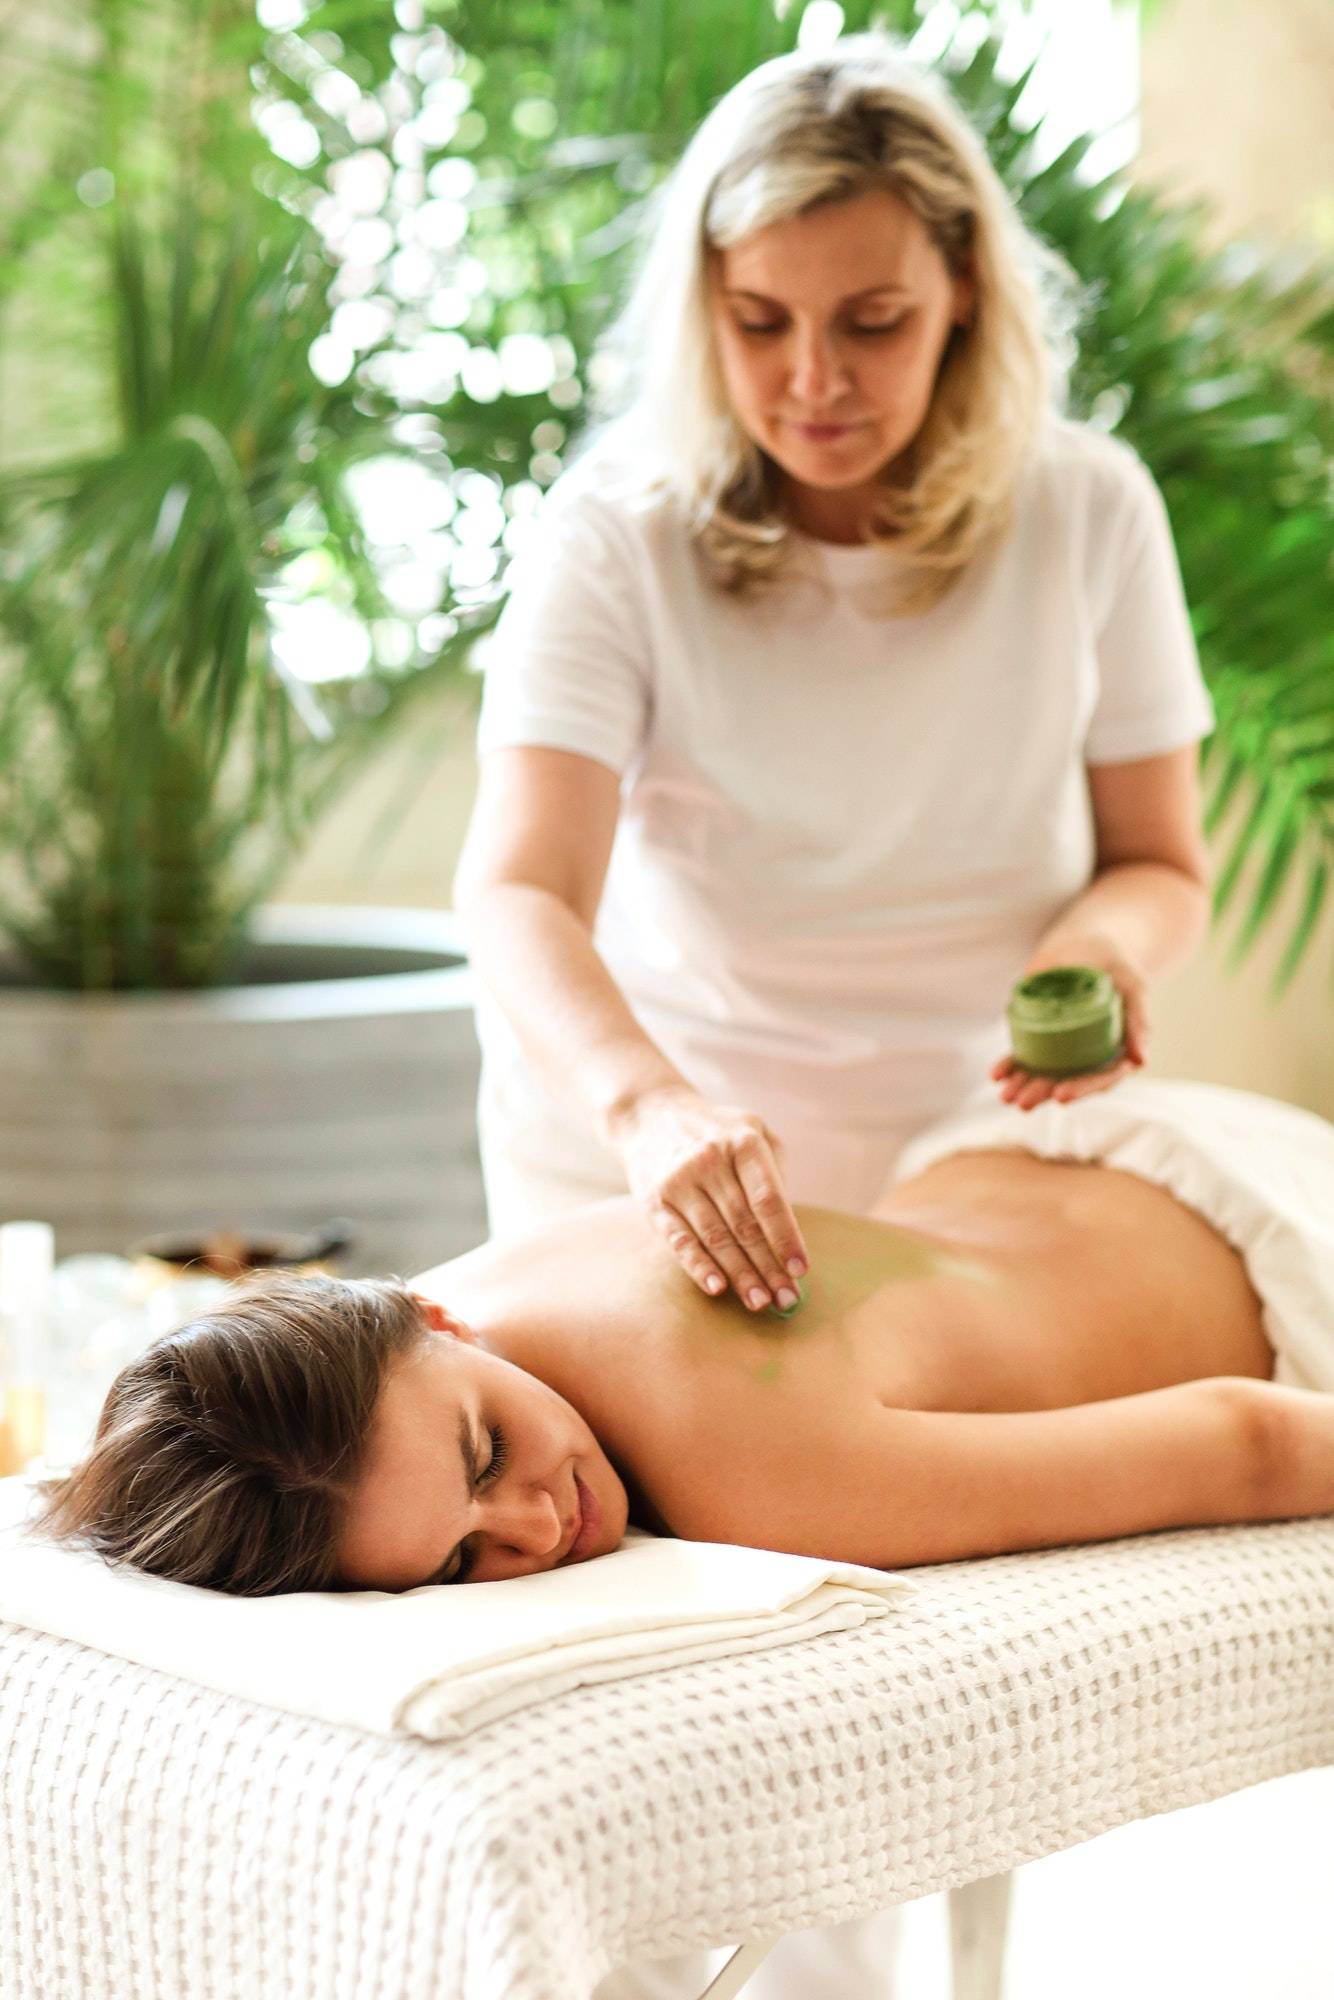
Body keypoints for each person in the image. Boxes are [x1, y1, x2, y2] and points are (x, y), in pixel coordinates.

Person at [453, 31, 1215, 1334]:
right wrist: (650, 1108)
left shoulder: (1086, 507)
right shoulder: (614, 533)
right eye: (759, 322)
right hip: (654, 1156)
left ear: (965, 287)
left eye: (873, 323)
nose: (813, 379)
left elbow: (1159, 859)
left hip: (990, 1147)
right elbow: (520, 890)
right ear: (704, 304)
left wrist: (1097, 953)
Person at [34, 1076, 1334, 1598]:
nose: (536, 1529)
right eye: (454, 1565)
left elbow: (1244, 1441)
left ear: (426, 1317)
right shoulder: (434, 1313)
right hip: (1033, 1145)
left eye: (486, 1455)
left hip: (1279, 1252)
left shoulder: (752, 1466)